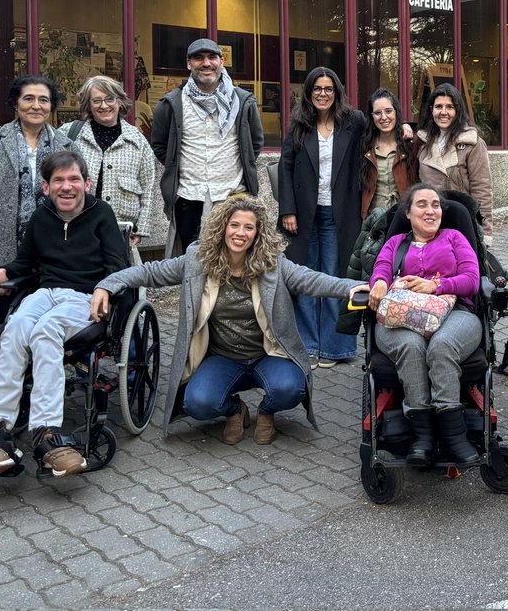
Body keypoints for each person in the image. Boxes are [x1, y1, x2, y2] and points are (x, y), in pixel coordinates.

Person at [91, 195, 367, 445]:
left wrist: (349, 288)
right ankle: (236, 410)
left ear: (258, 233)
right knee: (197, 403)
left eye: (249, 227)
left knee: (290, 388)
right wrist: (107, 285)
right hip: (222, 358)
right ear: (223, 226)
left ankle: (267, 411)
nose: (241, 233)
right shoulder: (197, 261)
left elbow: (311, 280)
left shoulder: (273, 264)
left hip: (267, 356)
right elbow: (151, 272)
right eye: (235, 225)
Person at [0, 151, 129, 480]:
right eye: (59, 180)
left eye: (74, 179)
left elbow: (119, 267)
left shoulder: (102, 215)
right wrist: (5, 272)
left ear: (86, 183)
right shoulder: (41, 219)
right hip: (45, 293)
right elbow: (24, 263)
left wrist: (106, 289)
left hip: (85, 296)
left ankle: (46, 434)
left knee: (46, 330)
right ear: (46, 187)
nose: (67, 187)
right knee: (14, 328)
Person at [367, 183, 483, 467]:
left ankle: (454, 434)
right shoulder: (395, 243)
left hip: (456, 312)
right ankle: (423, 437)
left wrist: (436, 285)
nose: (430, 210)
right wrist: (380, 283)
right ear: (408, 213)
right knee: (411, 345)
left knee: (442, 345)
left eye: (435, 205)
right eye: (422, 204)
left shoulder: (454, 238)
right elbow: (381, 269)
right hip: (402, 317)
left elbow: (472, 279)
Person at [0, 75, 72, 326]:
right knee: (5, 313)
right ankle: (9, 360)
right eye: (28, 98)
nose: (36, 106)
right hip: (2, 241)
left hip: (52, 245)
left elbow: (78, 194)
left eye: (44, 100)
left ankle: (41, 360)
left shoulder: (66, 145)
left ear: (51, 106)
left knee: (47, 311)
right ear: (15, 103)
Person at [278, 67, 366, 368]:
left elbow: (382, 133)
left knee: (334, 277)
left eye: (329, 89)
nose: (323, 94)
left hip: (339, 214)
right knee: (302, 278)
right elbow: (285, 166)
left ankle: (334, 347)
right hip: (303, 215)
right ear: (309, 92)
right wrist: (287, 209)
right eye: (317, 88)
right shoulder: (300, 124)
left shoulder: (353, 122)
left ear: (337, 92)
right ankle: (307, 345)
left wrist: (406, 128)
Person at [150, 38, 264, 256]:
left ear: (222, 62)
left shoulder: (242, 101)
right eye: (198, 58)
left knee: (233, 259)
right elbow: (161, 147)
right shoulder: (171, 104)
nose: (206, 63)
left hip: (233, 194)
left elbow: (254, 145)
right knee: (192, 262)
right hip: (189, 197)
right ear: (189, 64)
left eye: (212, 57)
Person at [68, 75, 157, 254]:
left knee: (116, 280)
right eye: (97, 100)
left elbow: (149, 188)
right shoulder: (71, 135)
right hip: (77, 229)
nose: (104, 105)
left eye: (110, 99)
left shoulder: (137, 141)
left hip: (121, 233)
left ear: (119, 102)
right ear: (88, 105)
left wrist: (140, 229)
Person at [415, 83, 493, 242]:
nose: (443, 112)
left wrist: (485, 233)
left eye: (449, 107)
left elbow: (482, 190)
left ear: (457, 110)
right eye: (438, 107)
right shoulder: (422, 142)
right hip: (429, 225)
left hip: (462, 224)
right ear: (431, 110)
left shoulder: (473, 144)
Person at [360, 88, 418, 220]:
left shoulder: (411, 144)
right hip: (373, 219)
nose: (383, 117)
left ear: (396, 112)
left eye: (388, 111)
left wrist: (406, 125)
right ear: (371, 116)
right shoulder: (365, 146)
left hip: (404, 218)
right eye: (377, 113)